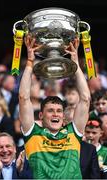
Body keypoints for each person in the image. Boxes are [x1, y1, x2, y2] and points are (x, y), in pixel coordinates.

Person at [19, 34, 90, 179]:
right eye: (50, 111)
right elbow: (23, 98)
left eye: (58, 111)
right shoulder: (33, 134)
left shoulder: (73, 133)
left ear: (63, 116)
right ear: (41, 115)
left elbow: (85, 98)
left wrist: (75, 62)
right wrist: (30, 62)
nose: (56, 114)